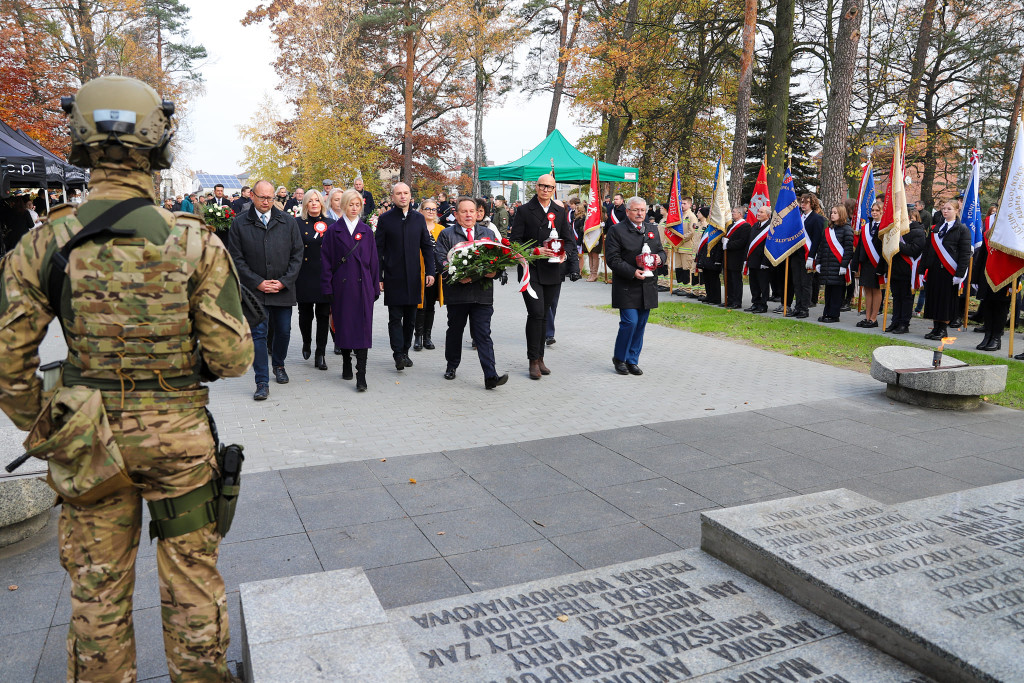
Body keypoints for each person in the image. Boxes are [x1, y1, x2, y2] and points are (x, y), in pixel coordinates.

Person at [0, 75, 253, 682]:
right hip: (179, 445)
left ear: (80, 140)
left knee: (97, 596)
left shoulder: (44, 243)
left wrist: (52, 429)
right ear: (157, 142)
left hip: (88, 447)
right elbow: (233, 357)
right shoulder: (194, 242)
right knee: (193, 584)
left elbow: (9, 366)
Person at [228, 179, 303, 400]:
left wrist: (284, 281)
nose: (266, 201)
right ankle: (261, 380)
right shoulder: (240, 223)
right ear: (252, 196)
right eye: (262, 197)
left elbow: (297, 255)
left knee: (283, 331)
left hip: (282, 289)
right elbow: (235, 258)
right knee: (258, 334)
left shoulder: (288, 222)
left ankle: (279, 365)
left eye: (270, 197)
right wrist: (257, 282)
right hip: (254, 291)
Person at [509, 173, 580, 379]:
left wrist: (564, 254)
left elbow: (568, 239)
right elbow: (515, 242)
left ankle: (540, 358)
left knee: (545, 313)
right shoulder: (523, 211)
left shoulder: (560, 210)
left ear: (554, 189)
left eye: (550, 187)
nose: (546, 190)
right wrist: (535, 251)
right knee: (536, 313)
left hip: (553, 270)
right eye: (542, 186)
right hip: (531, 270)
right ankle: (532, 360)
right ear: (536, 187)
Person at [434, 196, 508, 388]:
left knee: (483, 333)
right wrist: (456, 275)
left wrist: (496, 271)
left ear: (478, 214)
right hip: (457, 294)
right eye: (464, 211)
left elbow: (498, 260)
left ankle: (490, 375)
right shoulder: (446, 235)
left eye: (471, 211)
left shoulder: (487, 234)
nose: (468, 215)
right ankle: (451, 365)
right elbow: (440, 260)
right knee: (455, 331)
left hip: (482, 294)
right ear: (456, 215)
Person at [322, 189, 379, 390]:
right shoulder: (333, 231)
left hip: (363, 287)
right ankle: (346, 361)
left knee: (363, 329)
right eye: (350, 204)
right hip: (341, 287)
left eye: (357, 205)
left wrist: (375, 286)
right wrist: (327, 286)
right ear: (343, 206)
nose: (354, 208)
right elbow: (326, 261)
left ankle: (361, 374)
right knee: (344, 326)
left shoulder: (366, 231)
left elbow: (373, 262)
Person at [376, 182, 435, 371]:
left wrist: (431, 272)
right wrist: (379, 276)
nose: (403, 196)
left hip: (414, 277)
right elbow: (378, 250)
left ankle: (405, 351)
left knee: (410, 318)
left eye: (406, 193)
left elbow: (426, 246)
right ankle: (398, 354)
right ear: (392, 197)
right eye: (398, 193)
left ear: (411, 196)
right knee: (395, 317)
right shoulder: (385, 219)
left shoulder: (418, 219)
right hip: (393, 276)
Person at [605, 196, 666, 375]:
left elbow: (661, 251)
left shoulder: (652, 228)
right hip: (627, 284)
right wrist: (633, 272)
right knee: (630, 322)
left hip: (647, 285)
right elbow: (612, 259)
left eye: (642, 210)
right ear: (627, 211)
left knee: (640, 324)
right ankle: (620, 358)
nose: (640, 213)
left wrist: (659, 259)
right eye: (636, 210)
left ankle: (633, 360)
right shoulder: (617, 230)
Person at [922, 200, 971, 340]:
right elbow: (927, 249)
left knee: (945, 301)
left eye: (949, 209)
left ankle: (942, 329)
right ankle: (935, 328)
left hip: (949, 271)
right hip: (934, 269)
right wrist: (922, 269)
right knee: (934, 299)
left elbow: (965, 254)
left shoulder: (962, 229)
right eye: (943, 208)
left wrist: (959, 274)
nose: (945, 211)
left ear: (956, 211)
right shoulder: (936, 228)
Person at [296, 190, 331, 369]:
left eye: (317, 200)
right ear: (306, 204)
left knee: (323, 316)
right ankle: (306, 342)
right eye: (311, 201)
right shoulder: (298, 224)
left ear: (322, 203)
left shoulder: (331, 224)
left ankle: (321, 353)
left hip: (325, 276)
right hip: (304, 274)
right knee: (305, 315)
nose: (314, 203)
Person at [884, 209, 927, 334]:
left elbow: (913, 250)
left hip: (908, 272)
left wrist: (896, 243)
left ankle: (904, 324)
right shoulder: (895, 231)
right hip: (895, 269)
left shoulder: (918, 232)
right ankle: (895, 321)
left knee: (906, 298)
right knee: (896, 297)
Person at [815, 205, 855, 323]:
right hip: (827, 266)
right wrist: (818, 262)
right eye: (832, 212)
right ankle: (826, 313)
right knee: (828, 291)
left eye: (835, 213)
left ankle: (834, 315)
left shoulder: (847, 229)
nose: (832, 215)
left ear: (841, 214)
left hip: (838, 266)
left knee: (837, 292)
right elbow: (822, 248)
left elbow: (848, 250)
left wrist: (843, 265)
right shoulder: (828, 230)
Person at [415, 199, 445, 351]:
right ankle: (418, 336)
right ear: (421, 210)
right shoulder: (416, 227)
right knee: (420, 304)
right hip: (418, 272)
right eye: (428, 209)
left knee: (430, 305)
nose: (431, 212)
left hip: (435, 273)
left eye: (434, 209)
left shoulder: (441, 229)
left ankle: (427, 336)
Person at [854, 200, 885, 328]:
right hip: (866, 263)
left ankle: (874, 318)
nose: (874, 212)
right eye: (873, 210)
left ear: (883, 212)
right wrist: (855, 264)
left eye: (877, 210)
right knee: (867, 290)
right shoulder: (866, 227)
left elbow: (885, 249)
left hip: (878, 263)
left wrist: (883, 267)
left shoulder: (885, 227)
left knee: (876, 290)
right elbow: (860, 246)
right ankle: (867, 317)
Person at [799, 193, 826, 311]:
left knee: (806, 283)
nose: (802, 204)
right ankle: (798, 306)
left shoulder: (818, 218)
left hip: (808, 254)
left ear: (812, 204)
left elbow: (816, 240)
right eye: (801, 202)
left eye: (806, 202)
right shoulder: (799, 218)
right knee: (797, 282)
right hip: (798, 254)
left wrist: (811, 257)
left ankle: (804, 308)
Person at [744, 205, 772, 313]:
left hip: (763, 261)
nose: (758, 214)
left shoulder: (770, 227)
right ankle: (755, 303)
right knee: (754, 283)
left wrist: (765, 261)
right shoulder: (755, 225)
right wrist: (746, 259)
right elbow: (749, 242)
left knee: (763, 284)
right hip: (752, 260)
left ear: (768, 215)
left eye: (761, 212)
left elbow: (769, 246)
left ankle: (763, 305)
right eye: (758, 212)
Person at [722, 206, 751, 309]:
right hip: (728, 257)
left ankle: (737, 301)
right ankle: (729, 299)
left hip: (737, 257)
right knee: (728, 279)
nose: (732, 213)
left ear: (740, 214)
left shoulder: (745, 226)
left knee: (736, 280)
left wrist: (728, 244)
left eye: (734, 212)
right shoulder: (730, 226)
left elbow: (742, 241)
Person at [694, 207, 722, 305]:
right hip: (705, 256)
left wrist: (718, 260)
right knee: (707, 277)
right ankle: (709, 296)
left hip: (713, 257)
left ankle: (715, 298)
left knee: (713, 278)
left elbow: (719, 245)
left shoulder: (717, 228)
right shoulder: (708, 227)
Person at [671, 196, 699, 296]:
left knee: (686, 269)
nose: (682, 205)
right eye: (681, 203)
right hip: (678, 247)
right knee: (678, 268)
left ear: (690, 204)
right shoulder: (680, 216)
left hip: (687, 247)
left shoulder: (692, 216)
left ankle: (687, 288)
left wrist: (681, 238)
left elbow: (692, 232)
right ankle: (680, 286)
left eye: (684, 204)